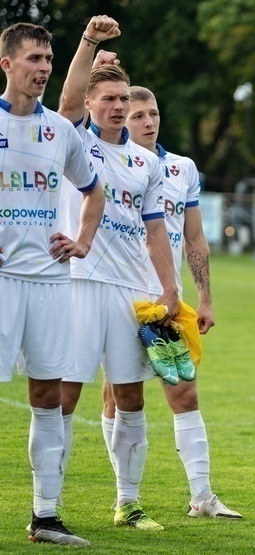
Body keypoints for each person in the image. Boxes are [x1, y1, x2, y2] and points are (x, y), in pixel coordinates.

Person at [88, 76, 240, 519]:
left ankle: (202, 496)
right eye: (138, 115)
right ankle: (125, 496)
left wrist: (205, 297)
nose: (148, 121)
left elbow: (195, 238)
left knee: (184, 389)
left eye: (153, 113)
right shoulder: (102, 162)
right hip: (118, 293)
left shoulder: (182, 168)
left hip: (166, 300)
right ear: (120, 118)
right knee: (118, 395)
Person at [57, 15, 179, 531]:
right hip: (81, 282)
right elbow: (62, 104)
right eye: (107, 98)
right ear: (91, 104)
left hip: (135, 290)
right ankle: (48, 505)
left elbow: (156, 231)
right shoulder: (74, 140)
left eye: (123, 99)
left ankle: (127, 502)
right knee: (64, 393)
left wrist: (171, 288)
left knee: (130, 396)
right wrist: (89, 44)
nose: (117, 106)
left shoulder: (147, 163)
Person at [0, 21, 105, 546]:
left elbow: (93, 192)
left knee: (47, 395)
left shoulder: (60, 131)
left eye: (47, 59)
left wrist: (83, 240)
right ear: (8, 64)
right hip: (0, 282)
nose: (42, 68)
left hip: (48, 282)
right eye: (34, 59)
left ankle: (45, 516)